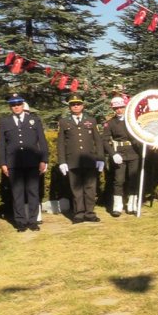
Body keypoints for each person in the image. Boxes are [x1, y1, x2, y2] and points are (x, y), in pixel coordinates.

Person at [0, 94, 48, 232]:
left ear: (23, 105)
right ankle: (20, 222)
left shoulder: (34, 120)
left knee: (33, 192)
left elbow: (42, 141)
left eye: (18, 104)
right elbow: (1, 144)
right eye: (13, 105)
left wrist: (44, 160)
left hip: (32, 162)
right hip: (13, 163)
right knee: (17, 193)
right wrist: (3, 163)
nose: (16, 107)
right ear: (10, 107)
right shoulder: (5, 122)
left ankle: (33, 221)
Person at [57, 94, 105, 224]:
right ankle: (79, 213)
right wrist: (62, 161)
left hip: (89, 160)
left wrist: (100, 158)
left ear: (83, 105)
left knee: (90, 188)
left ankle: (90, 213)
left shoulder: (91, 120)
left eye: (78, 104)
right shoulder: (64, 122)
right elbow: (60, 143)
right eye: (73, 104)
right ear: (70, 107)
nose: (76, 106)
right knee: (76, 189)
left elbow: (98, 141)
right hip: (72, 161)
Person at [102, 96, 140, 217]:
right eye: (116, 108)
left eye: (121, 107)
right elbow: (104, 140)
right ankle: (117, 206)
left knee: (133, 179)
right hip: (119, 154)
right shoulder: (110, 123)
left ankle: (132, 205)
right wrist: (113, 154)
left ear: (125, 107)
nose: (119, 110)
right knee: (119, 180)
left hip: (133, 152)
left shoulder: (132, 121)